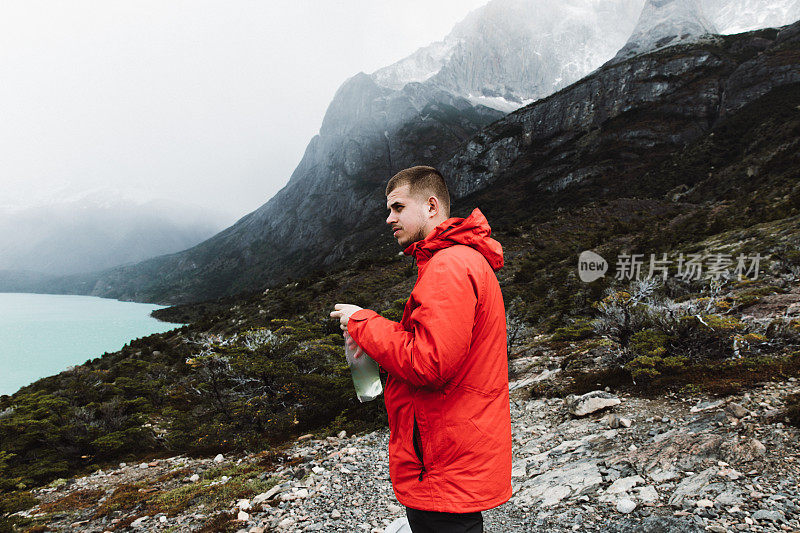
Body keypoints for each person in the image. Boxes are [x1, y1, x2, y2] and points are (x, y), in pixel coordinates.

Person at [330, 165, 512, 533]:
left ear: (431, 207)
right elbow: (436, 344)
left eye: (397, 207)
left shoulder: (448, 266)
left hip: (442, 457)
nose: (388, 218)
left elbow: (429, 363)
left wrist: (363, 323)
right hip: (453, 449)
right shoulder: (457, 259)